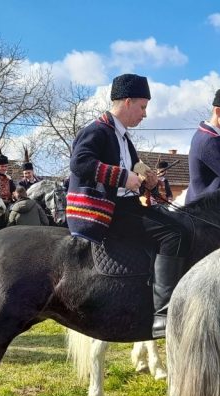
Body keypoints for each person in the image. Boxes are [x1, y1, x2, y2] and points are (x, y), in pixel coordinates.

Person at [67, 73, 191, 338]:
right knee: (175, 234)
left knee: (179, 223)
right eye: (143, 106)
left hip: (126, 206)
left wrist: (148, 181)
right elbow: (80, 164)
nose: (145, 114)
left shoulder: (123, 137)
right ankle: (163, 315)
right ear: (126, 101)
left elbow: (134, 174)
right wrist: (124, 176)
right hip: (104, 212)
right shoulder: (97, 130)